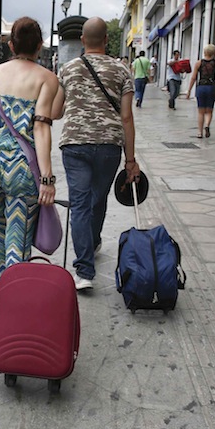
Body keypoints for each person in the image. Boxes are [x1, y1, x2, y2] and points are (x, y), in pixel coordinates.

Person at [0, 17, 59, 289]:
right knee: (18, 237)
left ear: (10, 45)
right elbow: (41, 128)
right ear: (40, 46)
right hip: (19, 169)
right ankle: (13, 298)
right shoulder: (47, 79)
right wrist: (47, 179)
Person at [51, 17, 140, 291]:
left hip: (75, 144)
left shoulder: (68, 69)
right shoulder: (122, 70)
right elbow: (127, 118)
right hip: (109, 145)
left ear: (82, 41)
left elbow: (56, 113)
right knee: (98, 199)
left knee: (79, 204)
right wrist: (131, 159)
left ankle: (84, 271)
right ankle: (94, 241)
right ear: (106, 40)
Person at [186, 44, 215, 138]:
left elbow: (193, 77)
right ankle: (207, 125)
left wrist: (189, 90)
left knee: (201, 111)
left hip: (201, 87)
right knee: (209, 111)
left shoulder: (199, 63)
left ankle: (199, 132)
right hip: (211, 88)